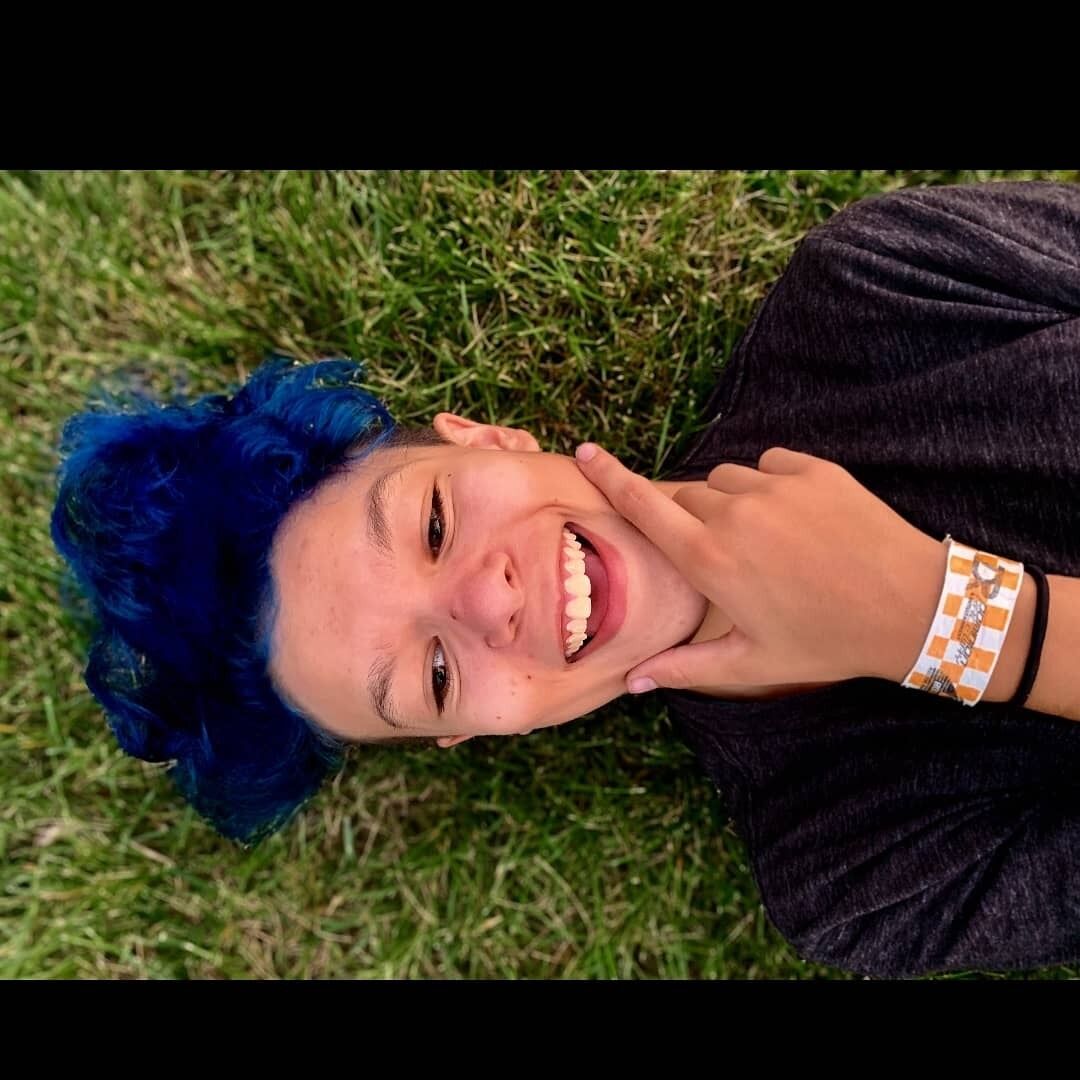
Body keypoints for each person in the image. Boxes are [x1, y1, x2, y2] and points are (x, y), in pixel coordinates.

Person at [50, 180, 1080, 979]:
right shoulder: (859, 875)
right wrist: (954, 625)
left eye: (435, 523)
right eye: (436, 676)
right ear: (476, 732)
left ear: (488, 437)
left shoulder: (883, 288)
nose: (488, 602)